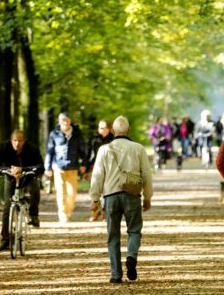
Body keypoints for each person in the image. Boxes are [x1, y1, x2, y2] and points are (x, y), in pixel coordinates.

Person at [89, 116, 154, 284]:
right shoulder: (138, 148)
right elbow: (146, 175)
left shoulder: (104, 149)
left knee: (113, 236)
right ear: (129, 130)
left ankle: (116, 274)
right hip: (132, 195)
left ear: (112, 131)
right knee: (134, 230)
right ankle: (131, 256)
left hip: (110, 197)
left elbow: (97, 175)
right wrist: (148, 197)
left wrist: (95, 198)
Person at [0, 129, 43, 250]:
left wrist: (23, 169)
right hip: (10, 177)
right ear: (11, 140)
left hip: (28, 176)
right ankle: (5, 239)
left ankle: (34, 215)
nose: (17, 143)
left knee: (35, 189)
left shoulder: (32, 148)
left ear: (24, 141)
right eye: (14, 140)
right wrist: (9, 170)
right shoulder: (4, 147)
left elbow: (41, 166)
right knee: (7, 207)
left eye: (20, 141)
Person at [46, 113, 87, 223]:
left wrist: (84, 163)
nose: (65, 122)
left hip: (73, 167)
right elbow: (49, 152)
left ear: (70, 120)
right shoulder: (54, 134)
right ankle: (63, 215)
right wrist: (47, 168)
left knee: (72, 193)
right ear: (59, 122)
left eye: (67, 120)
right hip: (58, 167)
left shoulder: (77, 133)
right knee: (60, 192)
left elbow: (82, 149)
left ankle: (68, 212)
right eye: (62, 120)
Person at [86, 119, 115, 221]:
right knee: (95, 190)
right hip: (94, 167)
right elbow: (88, 153)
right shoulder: (94, 139)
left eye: (103, 127)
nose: (101, 129)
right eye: (99, 127)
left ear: (109, 129)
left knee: (106, 191)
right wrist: (85, 166)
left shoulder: (113, 139)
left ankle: (105, 213)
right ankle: (95, 213)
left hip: (108, 167)